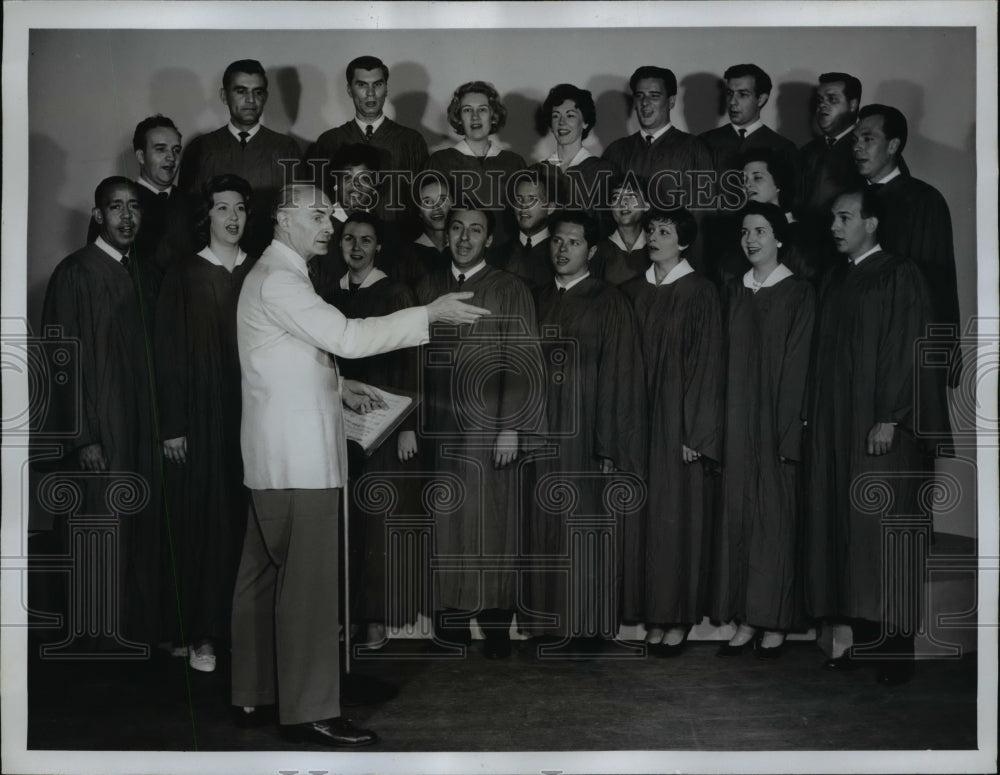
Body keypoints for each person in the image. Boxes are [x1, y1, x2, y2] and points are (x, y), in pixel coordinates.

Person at [230, 183, 489, 746]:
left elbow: (286, 354)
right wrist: (428, 313)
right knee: (307, 588)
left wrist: (337, 387)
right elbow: (345, 336)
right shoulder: (281, 279)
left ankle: (253, 693)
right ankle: (309, 710)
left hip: (272, 458)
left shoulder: (275, 275)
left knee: (261, 577)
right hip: (299, 461)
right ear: (283, 219)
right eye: (318, 215)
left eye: (331, 213)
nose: (330, 224)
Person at [804, 188, 947, 686]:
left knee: (883, 533)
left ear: (872, 223)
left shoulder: (898, 273)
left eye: (845, 217)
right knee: (852, 536)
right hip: (840, 428)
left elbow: (906, 347)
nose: (834, 226)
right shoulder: (838, 278)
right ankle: (864, 643)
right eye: (834, 218)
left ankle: (896, 653)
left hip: (881, 428)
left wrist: (890, 415)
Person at [414, 200, 544, 660]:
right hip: (441, 427)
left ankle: (493, 621)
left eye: (475, 230)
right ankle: (450, 618)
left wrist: (512, 427)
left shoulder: (510, 288)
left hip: (490, 428)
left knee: (494, 520)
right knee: (446, 519)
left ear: (490, 239)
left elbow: (524, 360)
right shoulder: (429, 286)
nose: (464, 238)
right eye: (456, 229)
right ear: (444, 234)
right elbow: (410, 359)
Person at [41, 176, 163, 648]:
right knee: (99, 525)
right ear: (98, 217)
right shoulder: (75, 272)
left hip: (140, 426)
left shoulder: (146, 275)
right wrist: (83, 437)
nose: (126, 217)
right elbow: (60, 360)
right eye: (115, 208)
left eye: (134, 207)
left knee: (136, 526)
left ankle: (133, 634)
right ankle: (94, 639)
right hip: (100, 429)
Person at [525, 210, 647, 652]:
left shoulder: (608, 300)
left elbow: (622, 375)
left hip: (587, 437)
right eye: (557, 240)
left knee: (585, 527)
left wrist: (609, 444)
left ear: (592, 252)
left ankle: (588, 628)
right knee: (542, 526)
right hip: (538, 435)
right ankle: (548, 625)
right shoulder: (534, 298)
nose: (562, 249)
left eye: (573, 242)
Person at [154, 174, 256, 673]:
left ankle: (246, 635)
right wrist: (173, 424)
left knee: (249, 521)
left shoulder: (260, 273)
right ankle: (204, 636)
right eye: (222, 208)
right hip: (202, 416)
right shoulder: (184, 274)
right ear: (207, 217)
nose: (232, 217)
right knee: (207, 524)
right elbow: (168, 353)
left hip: (255, 416)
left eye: (239, 208)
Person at [710, 201, 815, 659]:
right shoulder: (733, 290)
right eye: (745, 232)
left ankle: (774, 621)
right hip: (736, 423)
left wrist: (787, 431)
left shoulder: (798, 292)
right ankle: (746, 619)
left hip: (775, 424)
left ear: (779, 238)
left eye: (760, 231)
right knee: (740, 519)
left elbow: (799, 367)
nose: (750, 240)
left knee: (774, 521)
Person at [619, 207, 723, 656]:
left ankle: (676, 618)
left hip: (678, 428)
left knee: (676, 521)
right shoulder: (631, 291)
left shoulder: (700, 292)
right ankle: (653, 615)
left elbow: (708, 366)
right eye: (652, 230)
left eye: (666, 231)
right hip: (639, 424)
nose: (656, 237)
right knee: (644, 522)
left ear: (683, 242)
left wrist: (697, 434)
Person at [327, 211, 421, 648]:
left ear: (379, 246)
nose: (357, 247)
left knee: (378, 520)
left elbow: (412, 362)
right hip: (340, 423)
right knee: (344, 522)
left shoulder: (396, 293)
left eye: (366, 239)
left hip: (386, 424)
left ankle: (377, 620)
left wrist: (408, 426)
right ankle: (346, 614)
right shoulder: (327, 296)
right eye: (349, 239)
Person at [852, 103, 961, 386]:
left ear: (893, 145)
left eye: (868, 139)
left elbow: (938, 283)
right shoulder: (849, 202)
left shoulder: (924, 200)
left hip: (905, 350)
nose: (857, 148)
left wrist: (940, 358)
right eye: (855, 140)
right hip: (856, 346)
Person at [178, 59, 301, 256]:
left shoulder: (286, 149)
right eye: (241, 91)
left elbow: (297, 215)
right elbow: (186, 213)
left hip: (270, 257)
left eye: (258, 92)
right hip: (214, 259)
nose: (250, 100)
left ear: (265, 97)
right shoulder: (201, 148)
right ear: (224, 96)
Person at [424, 81, 526, 248]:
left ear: (493, 116)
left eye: (482, 109)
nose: (475, 117)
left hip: (505, 255)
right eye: (467, 110)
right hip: (457, 254)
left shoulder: (514, 163)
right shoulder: (440, 161)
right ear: (458, 116)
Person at [601, 66, 713, 215]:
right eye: (639, 95)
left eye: (654, 95)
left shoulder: (693, 149)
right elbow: (604, 211)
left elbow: (701, 215)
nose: (645, 102)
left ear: (671, 101)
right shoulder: (616, 151)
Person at [86, 115, 192, 270]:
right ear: (141, 156)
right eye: (161, 149)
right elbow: (98, 265)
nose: (171, 157)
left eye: (176, 150)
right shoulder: (113, 205)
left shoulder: (193, 203)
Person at [309, 55, 429, 179]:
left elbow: (424, 193)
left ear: (386, 89)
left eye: (377, 84)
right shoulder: (329, 142)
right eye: (362, 85)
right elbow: (319, 196)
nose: (370, 93)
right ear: (350, 90)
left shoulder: (411, 141)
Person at [740, 148, 823, 283]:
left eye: (757, 178)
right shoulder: (743, 232)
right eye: (744, 180)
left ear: (778, 184)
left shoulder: (802, 234)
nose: (747, 185)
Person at [699, 64, 797, 177]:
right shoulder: (705, 142)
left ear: (761, 99)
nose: (732, 102)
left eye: (742, 94)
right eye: (729, 93)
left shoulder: (783, 148)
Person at [797, 72, 864, 230]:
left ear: (852, 105)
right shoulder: (807, 151)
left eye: (832, 99)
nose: (822, 106)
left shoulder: (866, 151)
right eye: (820, 100)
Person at [539, 83, 615, 221]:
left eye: (570, 116)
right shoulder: (538, 171)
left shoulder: (603, 172)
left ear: (585, 122)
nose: (562, 122)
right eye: (556, 116)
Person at [489, 164, 556, 291]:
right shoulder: (495, 255)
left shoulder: (560, 255)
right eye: (519, 199)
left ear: (550, 208)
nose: (524, 206)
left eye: (532, 199)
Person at [395, 174, 453, 289]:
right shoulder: (405, 257)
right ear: (419, 211)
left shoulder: (466, 248)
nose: (436, 207)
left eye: (443, 199)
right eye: (427, 201)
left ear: (453, 202)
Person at [590, 176, 650, 285]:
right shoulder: (598, 250)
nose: (622, 203)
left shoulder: (657, 245)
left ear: (646, 205)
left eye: (631, 196)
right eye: (616, 198)